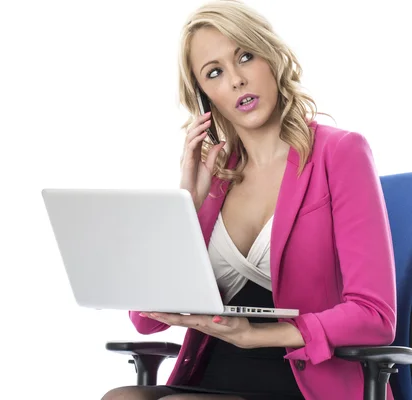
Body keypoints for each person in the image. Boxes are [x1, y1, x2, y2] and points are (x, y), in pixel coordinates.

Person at [101, 1, 397, 399]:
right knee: (121, 397)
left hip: (303, 378)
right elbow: (144, 321)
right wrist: (187, 202)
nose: (237, 79)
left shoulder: (339, 153)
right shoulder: (216, 178)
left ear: (271, 58)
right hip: (210, 375)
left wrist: (257, 336)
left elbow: (375, 316)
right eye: (215, 72)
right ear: (205, 97)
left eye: (245, 56)